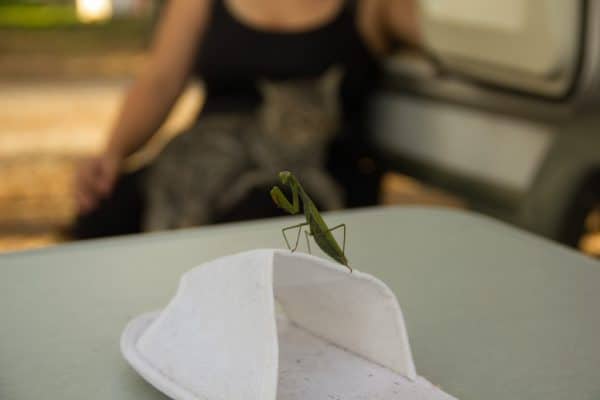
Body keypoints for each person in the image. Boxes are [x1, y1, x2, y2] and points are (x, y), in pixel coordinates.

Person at [73, 0, 421, 238]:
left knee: (249, 221)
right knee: (104, 214)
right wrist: (112, 153)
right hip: (213, 158)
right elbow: (159, 80)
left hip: (314, 175)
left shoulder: (376, 5)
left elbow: (456, 34)